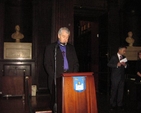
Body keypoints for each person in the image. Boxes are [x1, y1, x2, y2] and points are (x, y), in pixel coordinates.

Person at [44, 27, 79, 111]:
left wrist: (73, 75)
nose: (66, 39)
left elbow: (76, 63)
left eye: (67, 37)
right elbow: (47, 64)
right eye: (64, 36)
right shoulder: (51, 48)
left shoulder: (71, 48)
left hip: (69, 79)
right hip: (55, 79)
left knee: (68, 101)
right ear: (58, 36)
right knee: (57, 102)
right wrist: (55, 76)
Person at [107, 46, 127, 111]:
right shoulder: (114, 57)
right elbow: (109, 64)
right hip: (115, 77)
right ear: (119, 50)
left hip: (122, 77)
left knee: (121, 91)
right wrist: (116, 65)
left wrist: (125, 65)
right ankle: (112, 104)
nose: (124, 52)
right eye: (124, 50)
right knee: (114, 91)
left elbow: (127, 66)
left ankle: (119, 104)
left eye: (125, 51)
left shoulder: (124, 57)